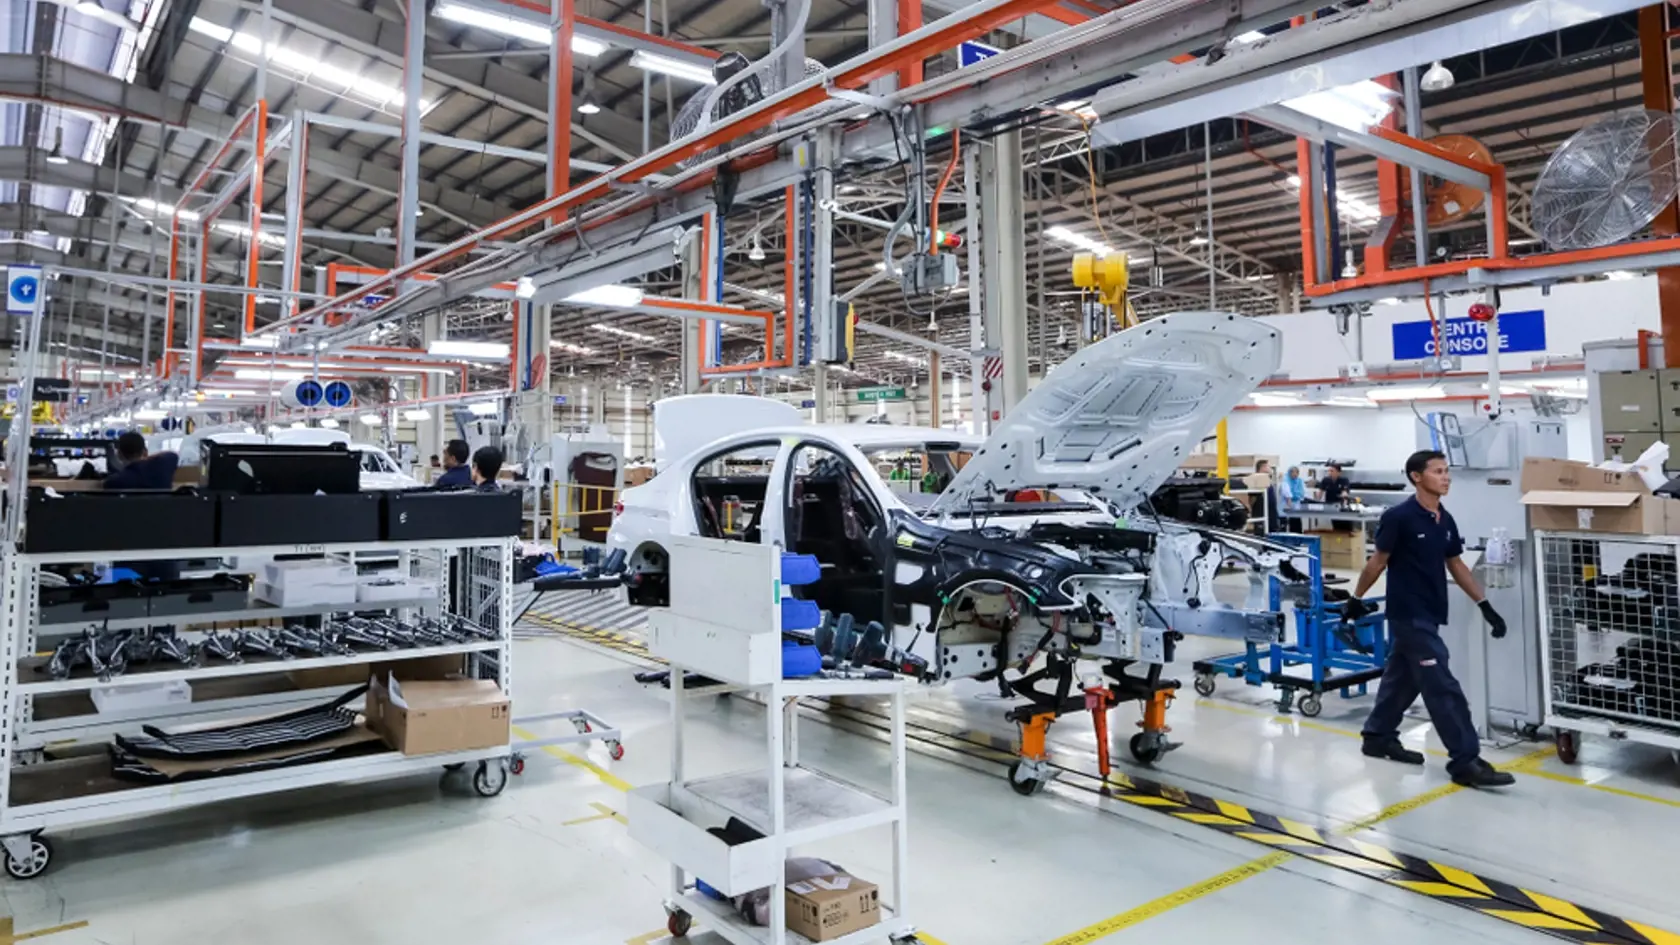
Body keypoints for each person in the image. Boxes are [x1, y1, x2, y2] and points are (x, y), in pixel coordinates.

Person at [1347, 449, 1513, 789]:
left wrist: (1484, 604)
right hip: (1408, 613)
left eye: (1446, 471)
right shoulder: (1399, 517)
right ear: (1416, 477)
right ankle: (1465, 760)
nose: (1446, 477)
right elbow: (1378, 561)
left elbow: (1456, 564)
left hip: (1432, 611)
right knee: (1442, 686)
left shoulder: (1444, 519)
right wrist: (1356, 598)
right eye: (1438, 471)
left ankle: (1377, 736)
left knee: (1403, 678)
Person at [104, 432, 182, 582]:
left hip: (130, 550)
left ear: (119, 455)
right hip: (164, 547)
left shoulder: (116, 481)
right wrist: (145, 459)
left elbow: (107, 484)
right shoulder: (163, 469)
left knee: (127, 596)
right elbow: (172, 455)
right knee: (169, 594)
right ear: (145, 451)